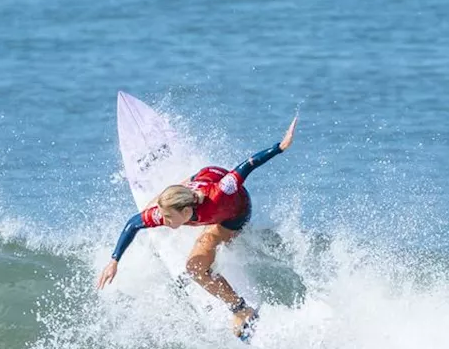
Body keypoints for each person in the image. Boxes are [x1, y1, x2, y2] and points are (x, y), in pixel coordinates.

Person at [96, 115, 298, 337]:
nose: (163, 221)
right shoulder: (176, 212)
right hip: (204, 175)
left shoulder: (221, 193)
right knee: (155, 209)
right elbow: (133, 224)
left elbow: (246, 166)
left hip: (235, 212)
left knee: (195, 268)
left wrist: (280, 147)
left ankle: (241, 309)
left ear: (185, 212)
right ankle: (183, 185)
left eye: (168, 217)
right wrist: (114, 260)